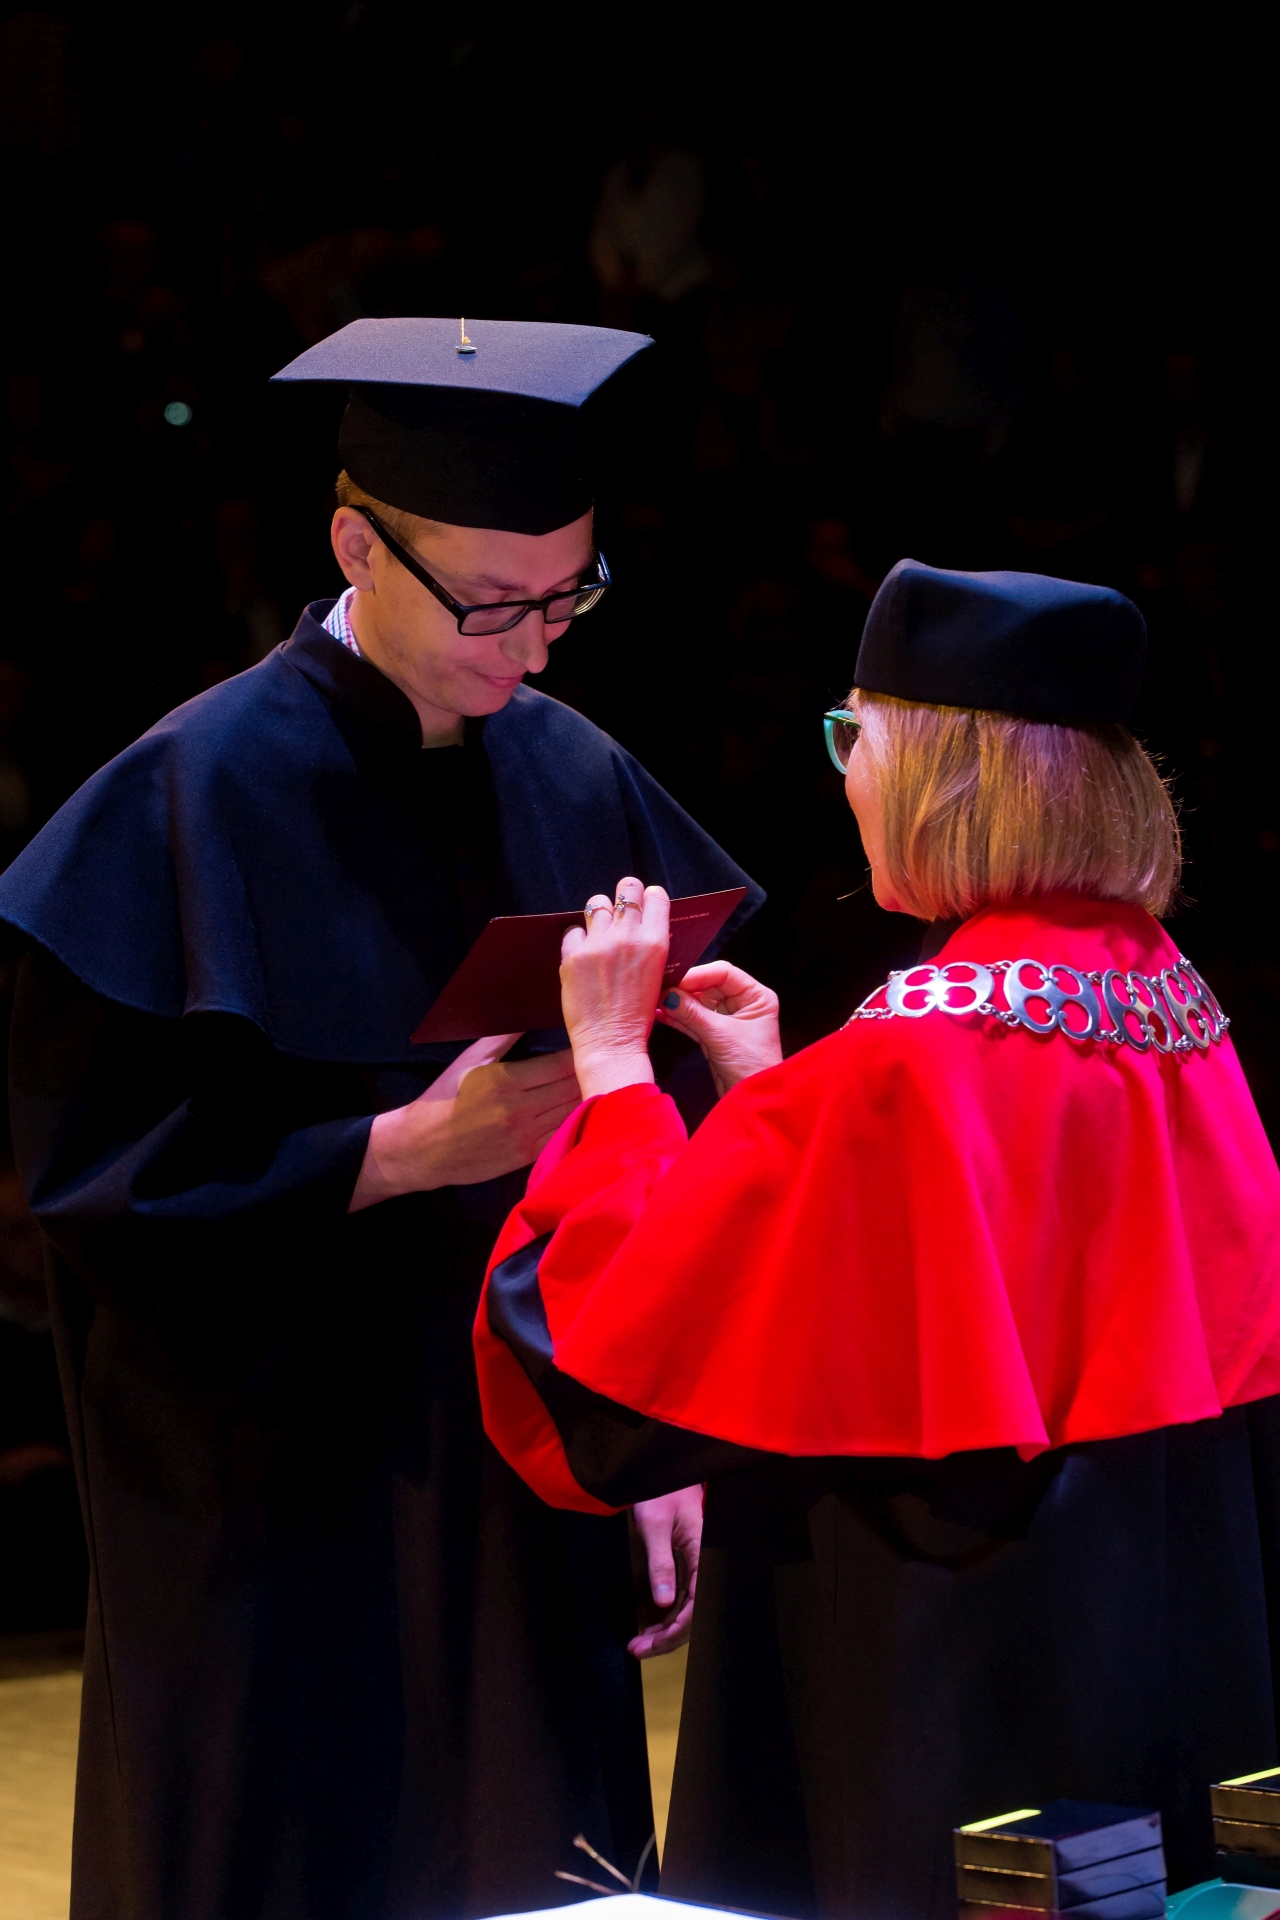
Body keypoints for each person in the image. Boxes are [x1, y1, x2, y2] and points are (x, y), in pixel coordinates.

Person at [0, 317, 760, 1920]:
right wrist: (400, 1153)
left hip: (519, 1480)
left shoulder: (575, 770)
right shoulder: (184, 794)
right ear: (358, 545)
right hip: (267, 1496)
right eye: (492, 604)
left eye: (568, 598)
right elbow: (90, 1197)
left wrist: (656, 1441)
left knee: (535, 1865)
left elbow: (653, 1146)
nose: (533, 651)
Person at [475, 560, 1280, 1919]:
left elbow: (618, 1362)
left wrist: (614, 1072)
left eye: (857, 736)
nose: (846, 774)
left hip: (947, 1667)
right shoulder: (1162, 994)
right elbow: (952, 1251)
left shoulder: (918, 1043)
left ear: (942, 775)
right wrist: (769, 1093)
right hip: (1153, 1634)